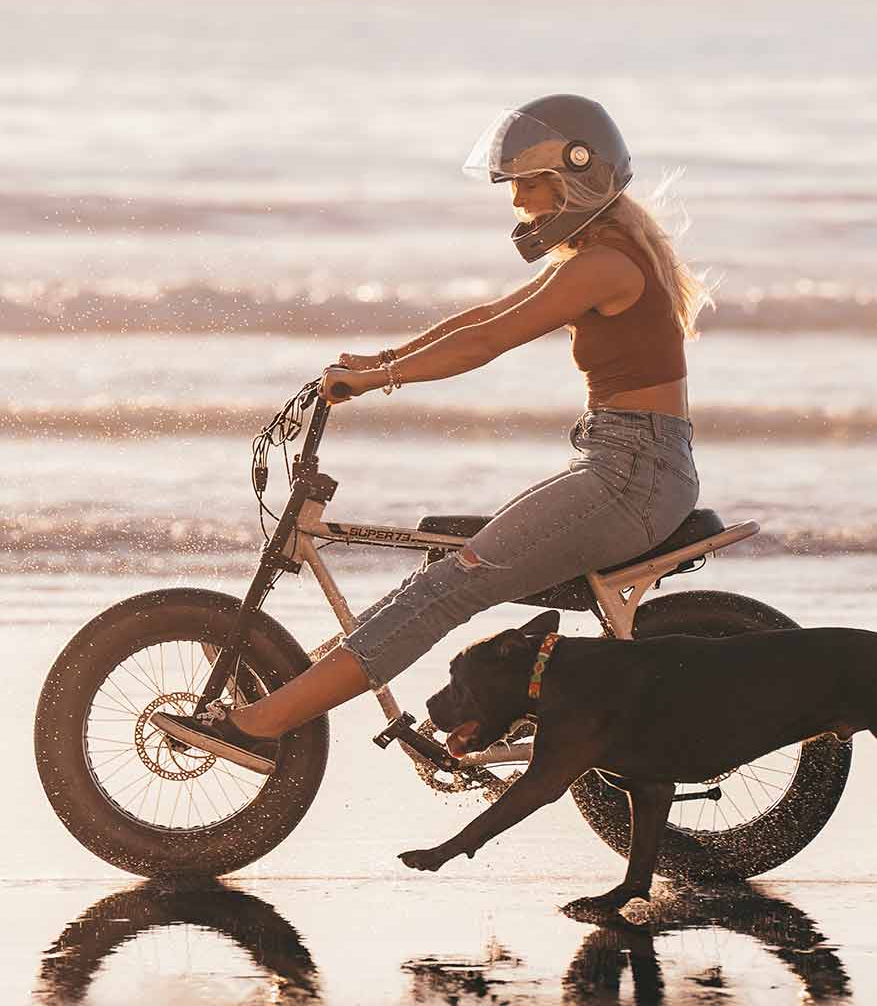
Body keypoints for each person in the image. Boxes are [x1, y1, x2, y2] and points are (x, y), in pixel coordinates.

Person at [151, 94, 713, 774]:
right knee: (443, 568)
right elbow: (483, 317)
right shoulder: (600, 256)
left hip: (631, 475)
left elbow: (488, 343)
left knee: (450, 587)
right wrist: (381, 361)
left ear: (576, 177)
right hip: (627, 465)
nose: (517, 204)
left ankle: (264, 723)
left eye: (527, 184)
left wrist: (382, 380)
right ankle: (293, 692)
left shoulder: (606, 264)